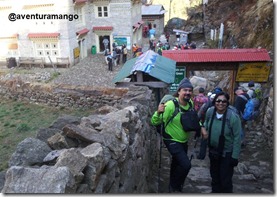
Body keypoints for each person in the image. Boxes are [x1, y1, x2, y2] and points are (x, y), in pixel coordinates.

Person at [151, 78, 208, 193]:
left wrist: (201, 127)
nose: (188, 92)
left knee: (177, 163)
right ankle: (176, 187)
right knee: (186, 165)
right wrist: (158, 112)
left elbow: (194, 118)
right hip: (171, 139)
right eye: (185, 90)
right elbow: (154, 122)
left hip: (183, 140)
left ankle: (172, 186)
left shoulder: (190, 103)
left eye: (190, 90)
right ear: (179, 91)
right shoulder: (171, 105)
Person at [205, 91, 241, 193]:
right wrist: (203, 129)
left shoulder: (233, 117)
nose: (221, 103)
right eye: (218, 101)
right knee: (214, 176)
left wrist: (234, 156)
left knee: (225, 179)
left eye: (224, 101)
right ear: (214, 101)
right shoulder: (210, 112)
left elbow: (237, 137)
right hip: (213, 151)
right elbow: (206, 123)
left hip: (227, 153)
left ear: (227, 103)